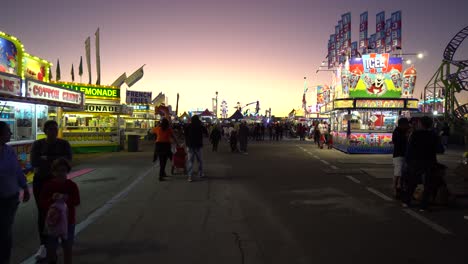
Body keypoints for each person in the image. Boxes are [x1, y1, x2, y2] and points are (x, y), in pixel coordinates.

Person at [31, 120, 72, 260]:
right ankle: (44, 244)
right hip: (41, 183)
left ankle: (62, 237)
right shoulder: (38, 144)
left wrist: (47, 159)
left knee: (62, 209)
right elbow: (34, 163)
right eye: (51, 129)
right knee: (43, 212)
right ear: (45, 131)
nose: (54, 132)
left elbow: (68, 162)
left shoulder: (64, 144)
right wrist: (55, 160)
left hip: (60, 183)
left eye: (55, 129)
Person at [0, 121, 30, 264]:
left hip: (10, 197)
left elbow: (18, 170)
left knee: (6, 230)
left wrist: (25, 187)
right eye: (8, 131)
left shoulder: (9, 150)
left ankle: (5, 259)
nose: (11, 134)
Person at [40, 158, 80, 264]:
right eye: (58, 171)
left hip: (68, 222)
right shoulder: (48, 186)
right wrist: (51, 199)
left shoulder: (71, 185)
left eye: (63, 170)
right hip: (52, 222)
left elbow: (77, 201)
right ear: (53, 172)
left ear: (67, 171)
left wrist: (67, 199)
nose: (60, 173)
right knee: (52, 249)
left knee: (67, 247)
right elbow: (42, 204)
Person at [402, 116, 439, 211]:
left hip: (415, 161)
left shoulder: (415, 134)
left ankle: (406, 201)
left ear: (421, 124)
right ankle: (424, 205)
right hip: (429, 161)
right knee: (428, 184)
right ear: (431, 124)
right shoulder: (434, 135)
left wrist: (407, 160)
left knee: (412, 181)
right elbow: (440, 149)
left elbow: (409, 149)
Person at [392, 118, 410, 199]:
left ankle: (400, 189)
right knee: (398, 173)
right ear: (402, 125)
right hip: (398, 155)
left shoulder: (406, 131)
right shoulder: (397, 132)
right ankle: (395, 190)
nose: (407, 126)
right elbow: (397, 142)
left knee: (402, 173)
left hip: (404, 155)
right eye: (406, 124)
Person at [185, 115, 205, 182]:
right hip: (198, 145)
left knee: (190, 161)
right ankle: (200, 173)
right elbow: (205, 133)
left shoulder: (188, 126)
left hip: (190, 145)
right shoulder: (200, 126)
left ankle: (190, 176)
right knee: (200, 161)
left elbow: (185, 134)